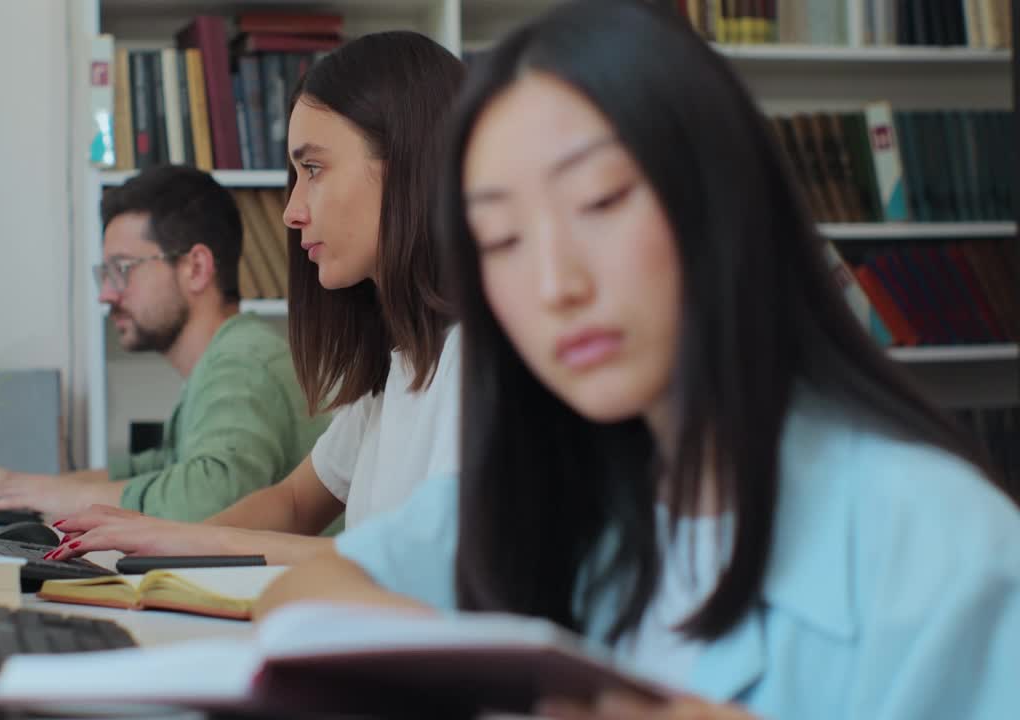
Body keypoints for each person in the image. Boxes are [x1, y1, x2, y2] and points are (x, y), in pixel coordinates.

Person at [254, 2, 1020, 719]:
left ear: (722, 200)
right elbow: (307, 591)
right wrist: (531, 678)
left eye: (599, 203)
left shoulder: (951, 554)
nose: (556, 285)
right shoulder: (556, 485)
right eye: (502, 241)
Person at [45, 31, 467, 566]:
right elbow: (293, 502)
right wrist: (158, 552)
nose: (291, 212)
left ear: (410, 163)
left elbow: (405, 564)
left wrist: (191, 539)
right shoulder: (395, 371)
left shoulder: (476, 360)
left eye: (312, 169)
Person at [0, 165, 328, 521]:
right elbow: (160, 470)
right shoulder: (226, 358)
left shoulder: (244, 362)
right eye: (104, 274)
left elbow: (211, 497)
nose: (106, 294)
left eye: (122, 269)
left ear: (195, 268)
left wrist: (41, 494)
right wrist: (21, 486)